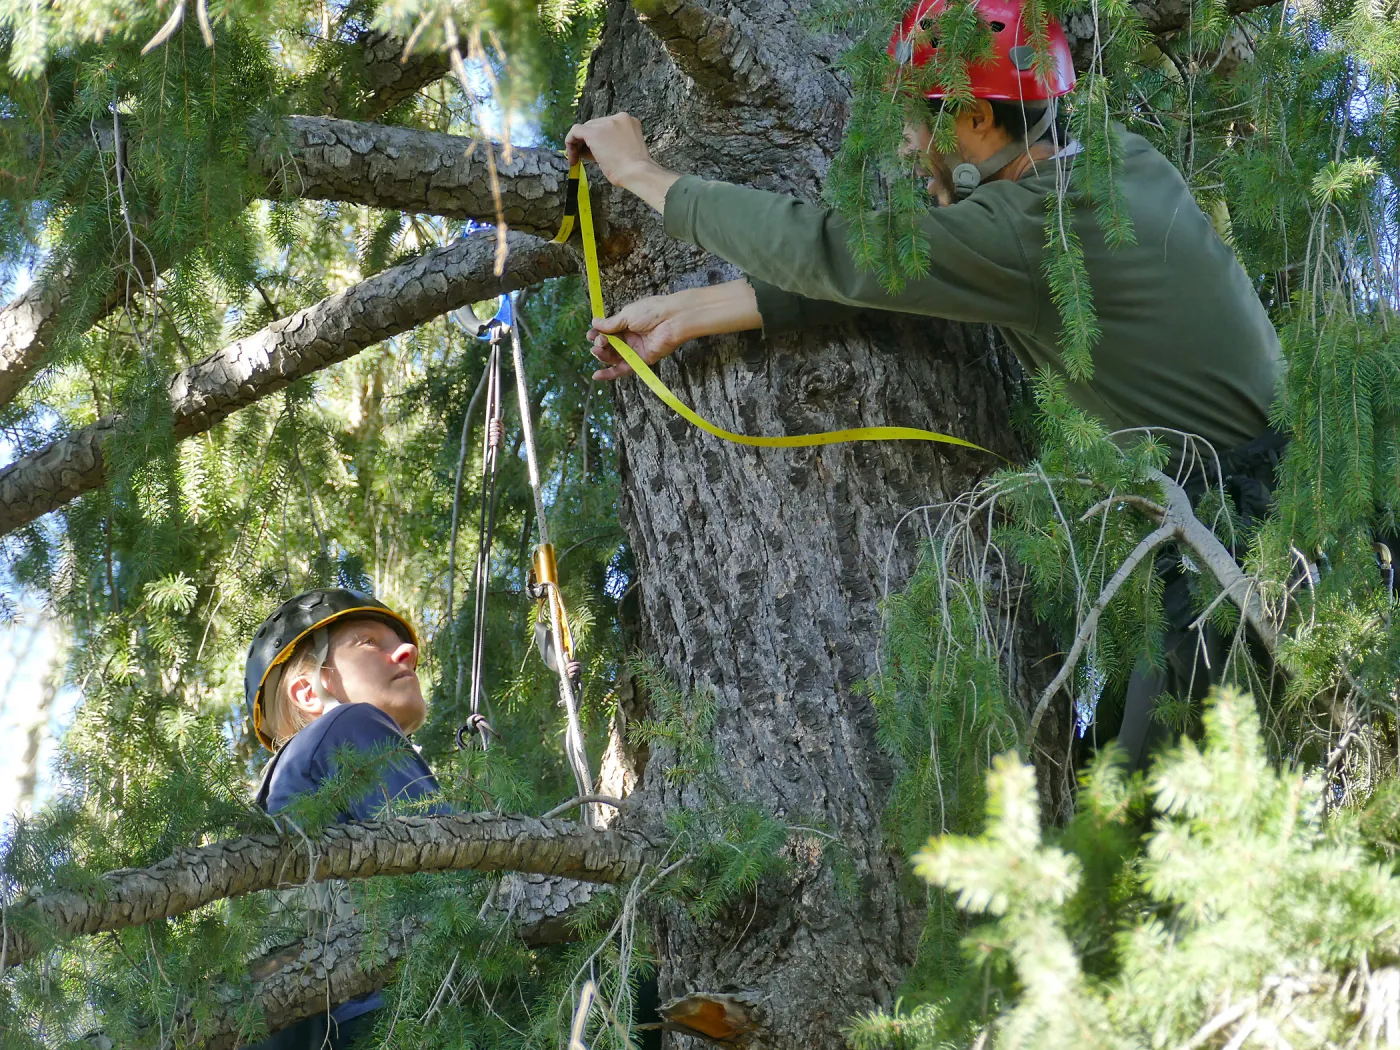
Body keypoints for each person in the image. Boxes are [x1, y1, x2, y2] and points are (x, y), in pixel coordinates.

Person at [562, 0, 1288, 766]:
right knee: (1114, 791)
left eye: (914, 124)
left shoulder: (1027, 229)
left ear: (973, 119)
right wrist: (700, 310)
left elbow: (836, 250)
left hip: (1228, 553)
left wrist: (642, 173)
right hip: (1256, 519)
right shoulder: (1109, 160)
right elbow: (909, 269)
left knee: (1155, 835)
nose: (907, 151)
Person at [243, 588, 443, 1049]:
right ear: (308, 689)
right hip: (384, 1019)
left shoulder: (287, 776)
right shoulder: (350, 726)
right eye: (370, 642)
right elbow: (455, 881)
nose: (407, 652)